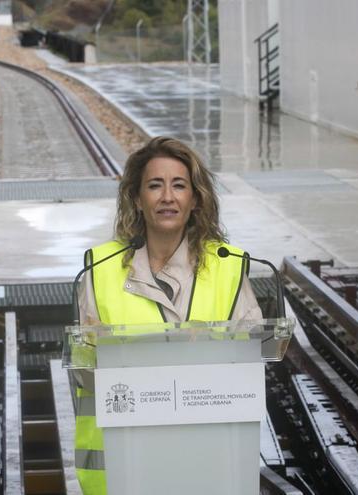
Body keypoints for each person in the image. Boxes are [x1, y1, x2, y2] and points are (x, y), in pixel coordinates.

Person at [72, 136, 263, 494]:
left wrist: (208, 345)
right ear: (137, 199)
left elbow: (253, 362)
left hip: (207, 464)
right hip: (124, 467)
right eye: (154, 186)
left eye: (179, 185)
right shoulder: (101, 270)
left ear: (195, 199)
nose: (167, 197)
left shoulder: (228, 268)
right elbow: (84, 373)